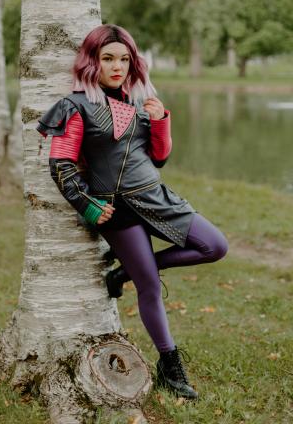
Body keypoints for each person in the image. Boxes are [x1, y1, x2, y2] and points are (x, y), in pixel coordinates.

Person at [37, 24, 228, 400]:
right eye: (108, 58)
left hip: (156, 196)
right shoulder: (75, 106)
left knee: (215, 246)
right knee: (150, 287)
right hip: (116, 208)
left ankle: (126, 270)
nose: (117, 66)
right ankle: (169, 364)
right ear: (91, 61)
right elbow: (61, 165)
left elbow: (160, 157)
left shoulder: (141, 101)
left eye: (124, 59)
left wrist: (161, 121)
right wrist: (89, 207)